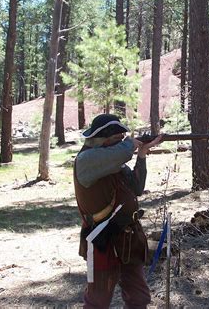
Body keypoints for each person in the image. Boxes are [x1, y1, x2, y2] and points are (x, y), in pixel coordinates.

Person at [73, 113, 162, 308]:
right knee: (98, 299)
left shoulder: (115, 163)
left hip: (129, 237)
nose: (119, 143)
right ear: (101, 139)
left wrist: (142, 154)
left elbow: (137, 188)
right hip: (102, 238)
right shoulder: (87, 160)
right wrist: (130, 144)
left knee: (138, 297)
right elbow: (120, 152)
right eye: (115, 139)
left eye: (121, 140)